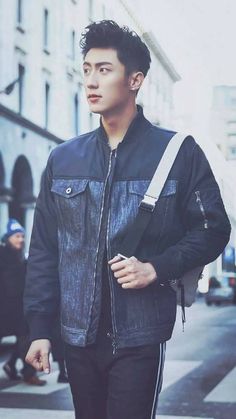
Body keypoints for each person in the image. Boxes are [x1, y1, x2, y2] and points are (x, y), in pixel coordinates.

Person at [24, 20, 231, 419]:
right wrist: (39, 330)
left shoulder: (178, 153)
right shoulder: (63, 158)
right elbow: (46, 250)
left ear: (134, 80)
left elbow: (213, 228)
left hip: (139, 335)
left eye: (104, 70)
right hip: (76, 337)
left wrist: (156, 268)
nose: (91, 81)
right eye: (86, 69)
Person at [0, 219, 46, 385]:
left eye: (22, 236)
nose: (21, 239)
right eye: (17, 236)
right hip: (4, 308)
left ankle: (28, 373)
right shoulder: (4, 256)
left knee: (26, 339)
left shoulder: (20, 258)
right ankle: (13, 366)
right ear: (8, 238)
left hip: (19, 308)